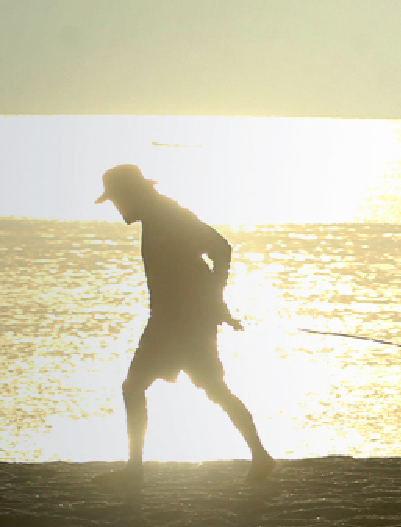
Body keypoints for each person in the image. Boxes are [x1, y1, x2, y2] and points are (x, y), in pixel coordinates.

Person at [96, 164, 274, 482]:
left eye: (117, 199)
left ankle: (136, 470)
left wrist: (214, 299)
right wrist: (214, 301)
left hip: (181, 323)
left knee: (139, 387)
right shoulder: (156, 217)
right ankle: (260, 456)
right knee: (203, 388)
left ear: (131, 194)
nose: (117, 207)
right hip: (172, 320)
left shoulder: (169, 216)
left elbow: (221, 248)